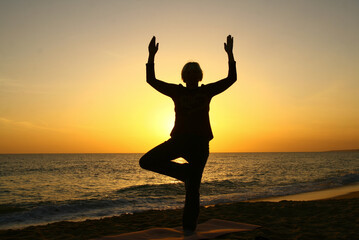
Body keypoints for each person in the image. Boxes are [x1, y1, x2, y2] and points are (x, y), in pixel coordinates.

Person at [139, 35, 237, 235]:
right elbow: (151, 80)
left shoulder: (208, 91)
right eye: (189, 72)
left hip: (200, 145)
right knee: (146, 161)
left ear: (199, 75)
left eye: (195, 72)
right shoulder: (177, 92)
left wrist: (230, 54)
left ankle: (189, 231)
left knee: (193, 191)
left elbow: (231, 79)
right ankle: (184, 173)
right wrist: (150, 56)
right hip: (179, 141)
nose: (192, 75)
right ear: (184, 76)